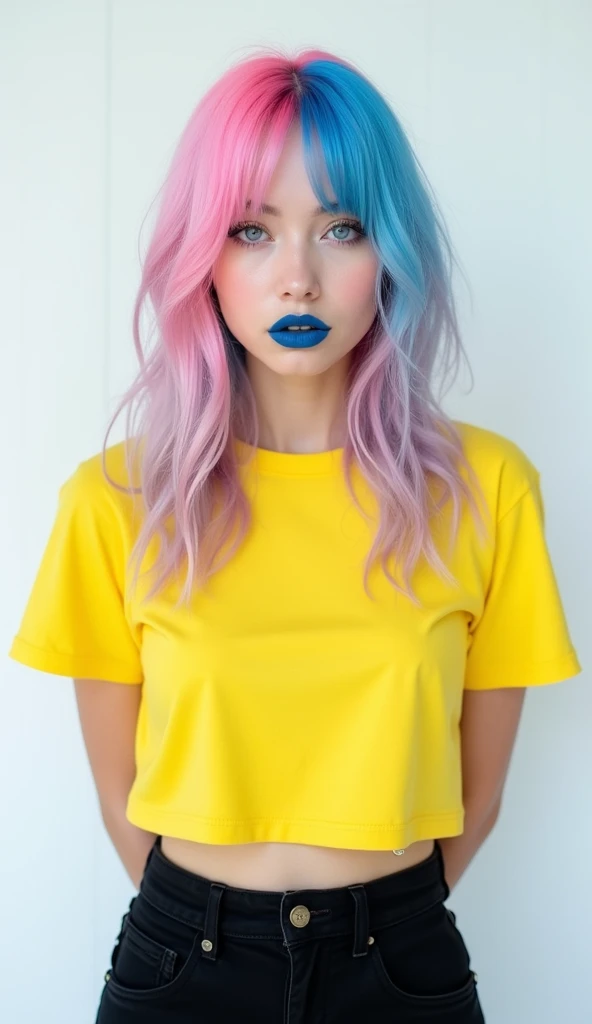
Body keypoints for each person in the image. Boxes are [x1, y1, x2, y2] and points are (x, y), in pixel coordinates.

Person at [8, 46, 581, 1024]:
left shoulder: (487, 489)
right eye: (252, 231)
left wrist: (380, 928)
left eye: (340, 229)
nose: (298, 279)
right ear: (204, 255)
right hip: (179, 967)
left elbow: (475, 801)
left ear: (388, 249)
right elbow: (121, 799)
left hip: (400, 965)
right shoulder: (115, 501)